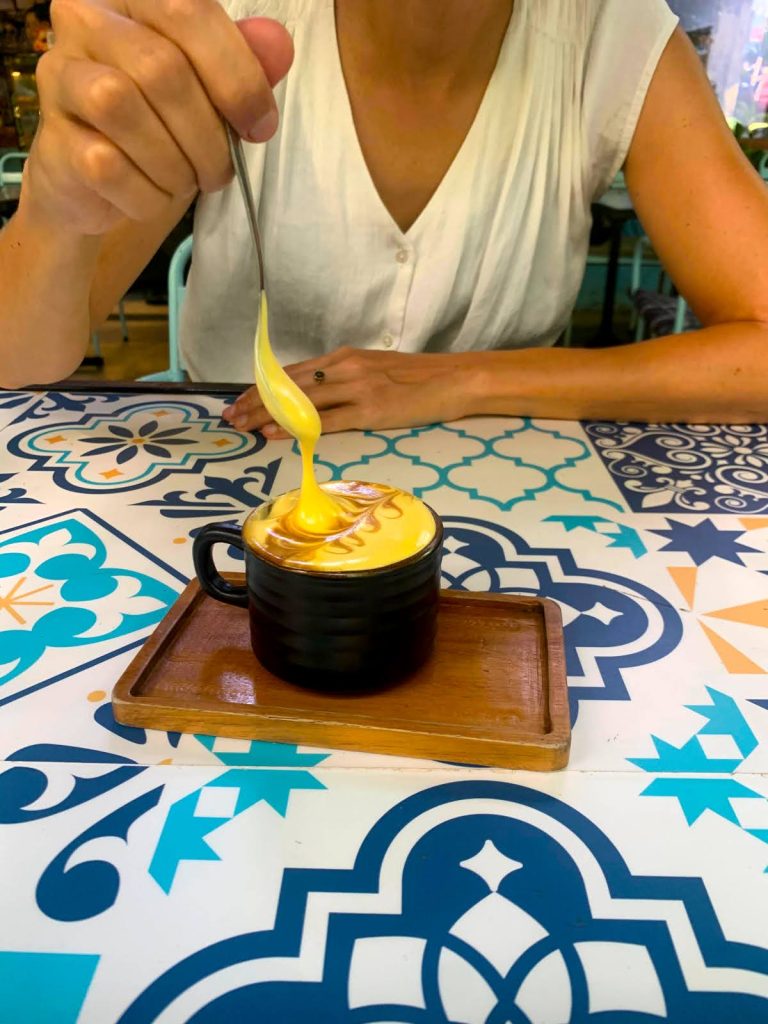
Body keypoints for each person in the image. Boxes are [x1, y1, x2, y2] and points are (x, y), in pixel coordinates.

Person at [1, 0, 767, 437]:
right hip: (229, 482)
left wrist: (464, 379)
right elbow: (20, 361)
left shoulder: (616, 35)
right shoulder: (217, 22)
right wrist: (54, 209)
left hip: (508, 511)